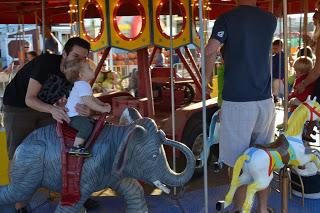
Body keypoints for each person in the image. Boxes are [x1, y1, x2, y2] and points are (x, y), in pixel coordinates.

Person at [2, 37, 98, 212]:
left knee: (60, 148)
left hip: (46, 108)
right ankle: (20, 204)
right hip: (18, 106)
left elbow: (82, 101)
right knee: (18, 152)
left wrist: (87, 110)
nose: (78, 61)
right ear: (64, 53)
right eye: (75, 55)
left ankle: (73, 196)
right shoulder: (46, 63)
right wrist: (53, 109)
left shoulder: (76, 73)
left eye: (82, 58)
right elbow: (30, 99)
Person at [205, 1, 276, 213]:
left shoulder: (227, 18)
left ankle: (241, 210)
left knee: (238, 162)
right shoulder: (270, 20)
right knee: (264, 158)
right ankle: (263, 208)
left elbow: (210, 50)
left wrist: (205, 79)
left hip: (238, 102)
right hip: (265, 100)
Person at [64, 59, 111, 157]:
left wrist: (102, 104)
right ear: (81, 75)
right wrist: (102, 109)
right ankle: (76, 147)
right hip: (74, 116)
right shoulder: (82, 85)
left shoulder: (82, 85)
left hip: (76, 115)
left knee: (92, 123)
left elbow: (92, 98)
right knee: (86, 126)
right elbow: (88, 102)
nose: (92, 69)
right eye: (89, 68)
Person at [272, 39, 285, 103]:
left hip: (280, 76)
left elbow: (282, 69)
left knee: (276, 82)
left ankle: (275, 95)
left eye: (276, 48)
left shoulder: (283, 57)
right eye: (274, 48)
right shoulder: (273, 57)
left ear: (281, 47)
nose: (275, 50)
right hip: (274, 75)